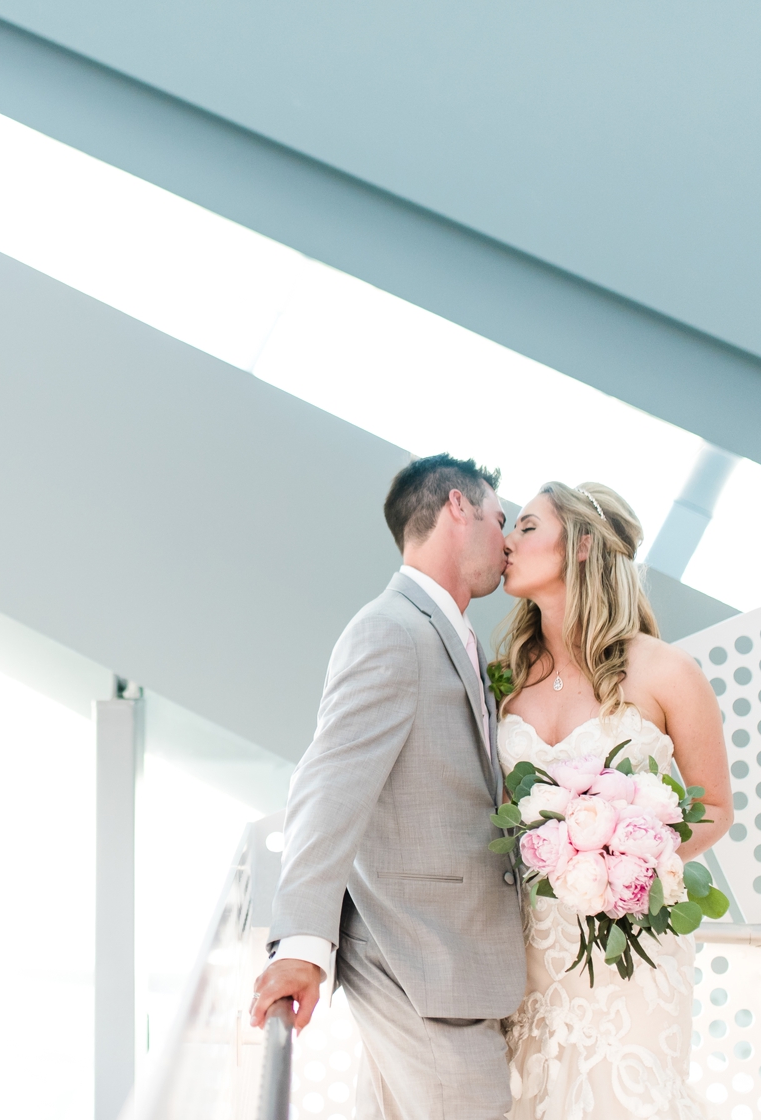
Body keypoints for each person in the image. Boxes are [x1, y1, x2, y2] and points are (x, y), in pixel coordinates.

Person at [250, 453, 528, 1119]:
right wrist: (302, 946)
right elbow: (327, 787)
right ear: (458, 507)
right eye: (501, 519)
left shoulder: (458, 636)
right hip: (418, 960)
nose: (508, 539)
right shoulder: (390, 629)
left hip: (455, 964)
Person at [496, 481, 733, 1120]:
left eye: (525, 526)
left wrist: (623, 865)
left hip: (630, 943)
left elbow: (713, 809)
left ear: (579, 545)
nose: (507, 542)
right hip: (527, 949)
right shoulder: (506, 680)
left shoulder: (665, 671)